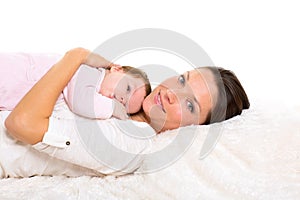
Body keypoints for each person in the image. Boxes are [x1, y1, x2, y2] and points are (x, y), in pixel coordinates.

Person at [0, 48, 250, 178]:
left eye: (190, 105)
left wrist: (75, 57)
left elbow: (21, 123)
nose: (174, 93)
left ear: (196, 127)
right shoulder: (128, 97)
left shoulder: (131, 142)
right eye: (183, 80)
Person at [0, 53, 151, 120]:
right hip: (8, 73)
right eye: (128, 89)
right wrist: (114, 109)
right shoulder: (87, 71)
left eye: (123, 103)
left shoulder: (95, 89)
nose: (119, 98)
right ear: (117, 69)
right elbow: (82, 102)